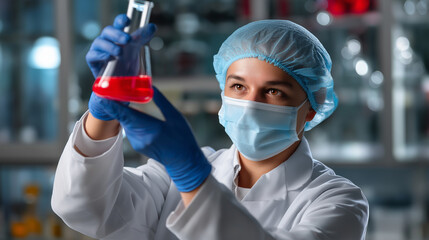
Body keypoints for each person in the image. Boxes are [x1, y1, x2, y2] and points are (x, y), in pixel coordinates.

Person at [51, 14, 369, 240]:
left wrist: (193, 178)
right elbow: (85, 210)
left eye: (274, 91)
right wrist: (103, 116)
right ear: (222, 91)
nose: (251, 103)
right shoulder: (168, 177)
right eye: (238, 87)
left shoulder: (338, 201)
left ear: (311, 108)